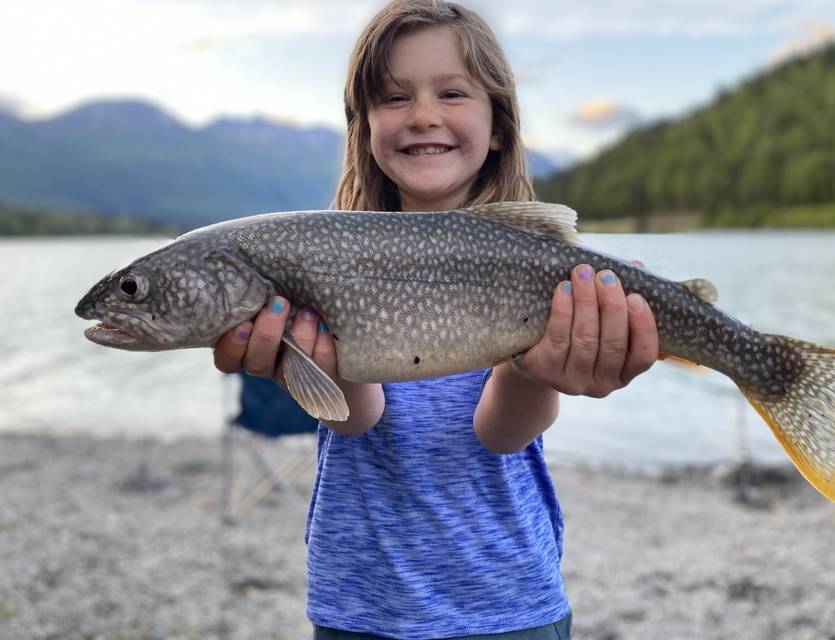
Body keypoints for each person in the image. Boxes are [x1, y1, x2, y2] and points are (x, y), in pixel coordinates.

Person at [213, 1, 659, 637]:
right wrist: (301, 364)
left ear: (499, 126)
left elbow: (502, 435)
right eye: (393, 98)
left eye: (452, 92)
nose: (423, 115)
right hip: (361, 602)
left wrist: (536, 374)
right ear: (363, 127)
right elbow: (357, 417)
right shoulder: (323, 258)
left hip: (506, 600)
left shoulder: (527, 265)